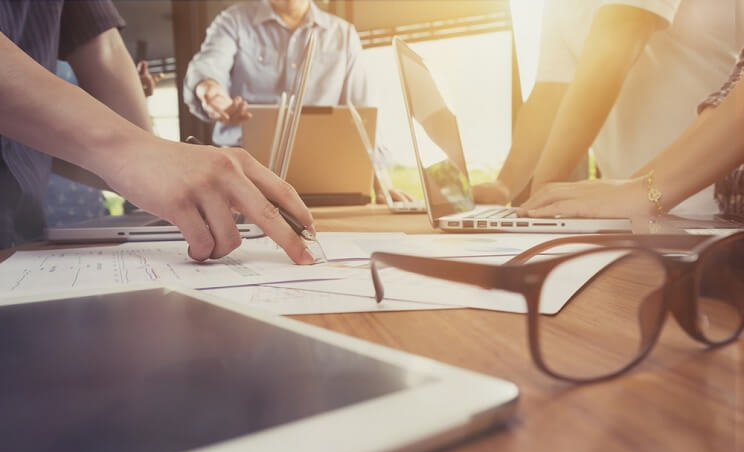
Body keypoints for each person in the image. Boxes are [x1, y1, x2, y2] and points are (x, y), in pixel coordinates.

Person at [0, 0, 315, 264]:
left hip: (23, 233)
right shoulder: (233, 21)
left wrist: (161, 169)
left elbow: (102, 47)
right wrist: (132, 152)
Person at [474, 0, 739, 216]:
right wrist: (505, 186)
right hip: (627, 203)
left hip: (702, 200)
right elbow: (550, 92)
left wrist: (537, 200)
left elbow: (617, 40)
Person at [184, 0, 413, 202]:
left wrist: (383, 183)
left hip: (323, 178)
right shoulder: (234, 21)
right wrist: (212, 94)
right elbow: (208, 67)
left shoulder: (343, 34)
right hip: (242, 176)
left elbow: (361, 114)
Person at [519, 47, 744, 219]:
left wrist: (647, 190)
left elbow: (617, 44)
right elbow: (728, 100)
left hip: (696, 209)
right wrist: (635, 187)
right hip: (724, 232)